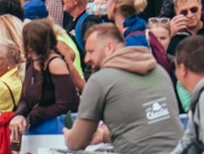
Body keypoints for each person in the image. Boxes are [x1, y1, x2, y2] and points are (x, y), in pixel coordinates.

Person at [65, 23, 182, 154]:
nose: (86, 59)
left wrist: (68, 135)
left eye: (91, 51)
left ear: (109, 48)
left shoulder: (99, 80)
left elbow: (77, 142)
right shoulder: (158, 71)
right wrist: (104, 136)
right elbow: (142, 127)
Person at [9, 18, 82, 145]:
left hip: (59, 133)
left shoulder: (55, 63)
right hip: (40, 130)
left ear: (30, 44)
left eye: (22, 39)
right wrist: (19, 114)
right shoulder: (31, 61)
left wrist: (32, 116)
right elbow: (26, 97)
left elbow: (67, 103)